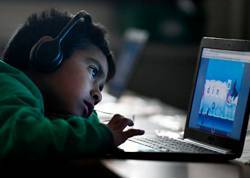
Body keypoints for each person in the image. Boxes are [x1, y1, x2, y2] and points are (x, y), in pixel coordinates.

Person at [0, 9, 144, 160]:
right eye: (93, 72)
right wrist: (103, 135)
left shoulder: (22, 97)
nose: (98, 95)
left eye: (101, 87)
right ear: (48, 54)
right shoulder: (8, 85)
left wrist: (88, 122)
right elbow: (26, 139)